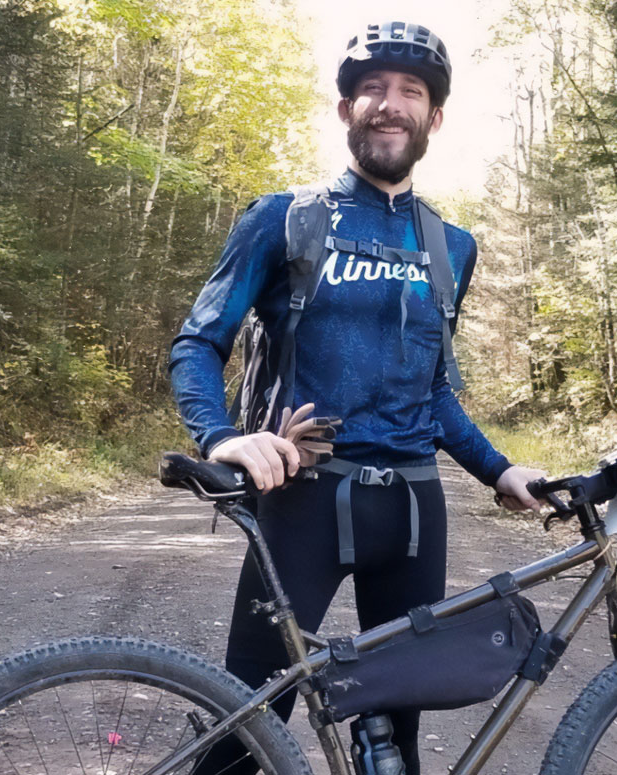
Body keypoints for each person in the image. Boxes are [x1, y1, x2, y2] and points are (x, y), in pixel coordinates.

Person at [169, 20, 544, 775]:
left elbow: (431, 390)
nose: (390, 104)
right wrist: (220, 436)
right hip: (302, 497)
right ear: (346, 109)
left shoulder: (452, 246)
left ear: (434, 117)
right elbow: (197, 343)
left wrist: (500, 470)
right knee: (247, 722)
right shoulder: (284, 217)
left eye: (411, 91)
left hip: (411, 509)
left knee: (395, 738)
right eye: (372, 87)